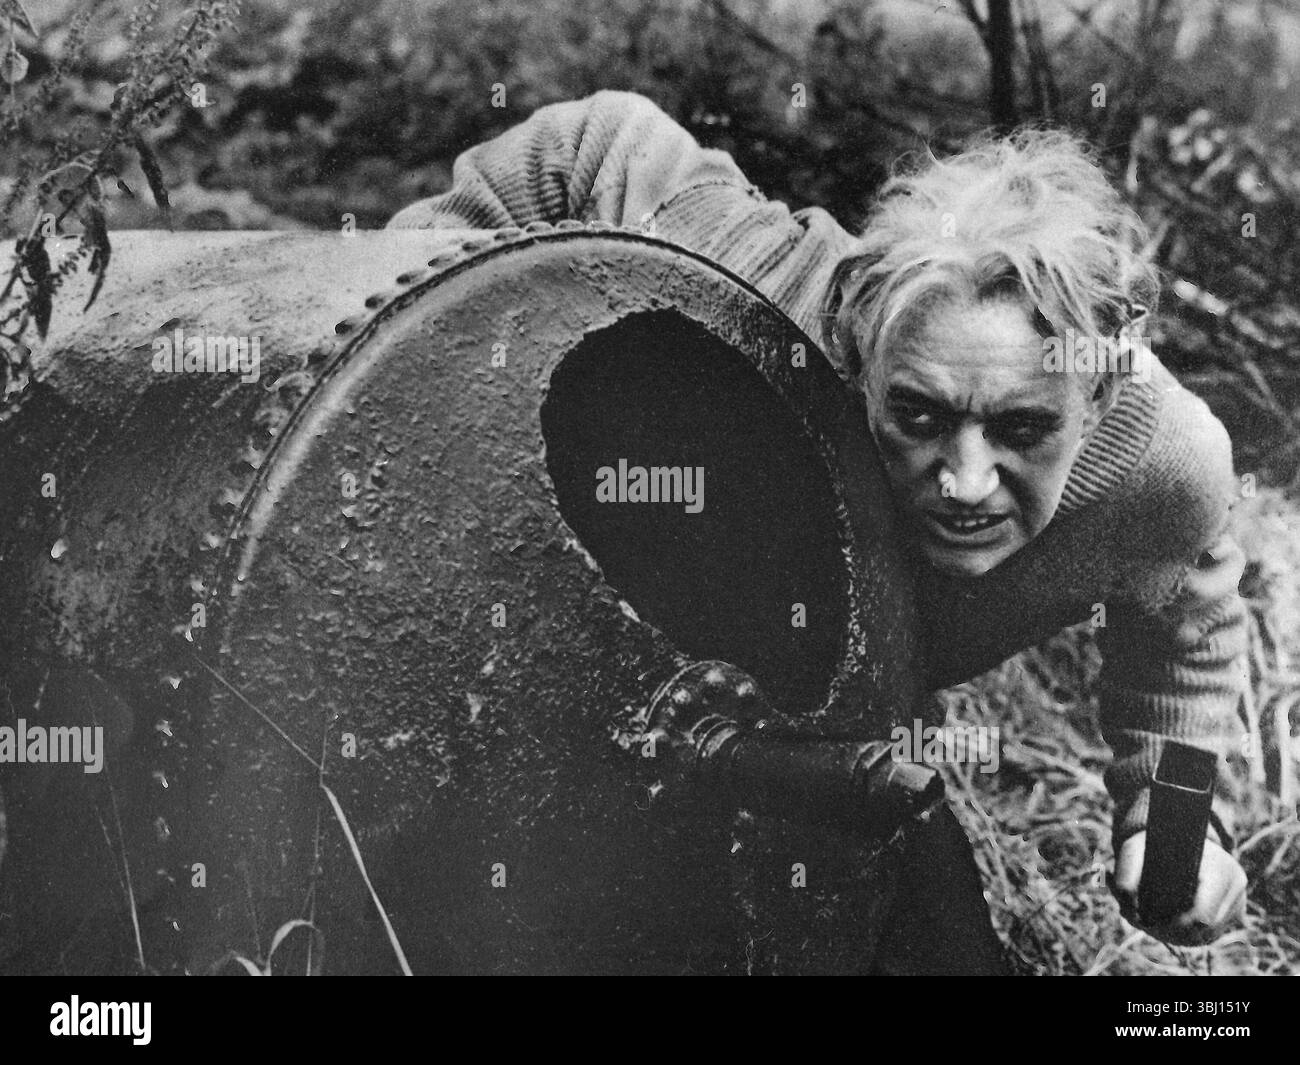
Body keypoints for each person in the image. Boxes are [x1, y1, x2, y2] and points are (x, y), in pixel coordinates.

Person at [389, 91, 1249, 973]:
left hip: (858, 709)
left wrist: (1171, 823)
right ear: (860, 354)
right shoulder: (772, 315)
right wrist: (395, 341)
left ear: (1097, 394)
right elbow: (589, 146)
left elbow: (1187, 611)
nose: (964, 482)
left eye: (1022, 430)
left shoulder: (1168, 467)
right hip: (673, 622)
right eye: (915, 415)